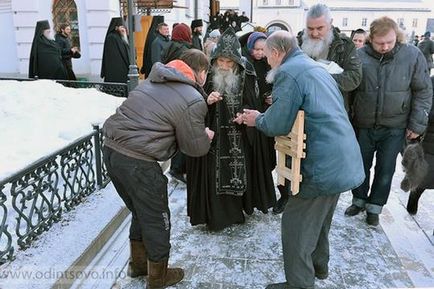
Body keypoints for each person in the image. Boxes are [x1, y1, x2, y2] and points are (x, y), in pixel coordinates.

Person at [242, 30, 364, 289]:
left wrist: (257, 119)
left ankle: (299, 283)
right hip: (341, 158)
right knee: (318, 220)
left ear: (277, 52)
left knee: (296, 224)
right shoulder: (312, 65)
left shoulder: (288, 72)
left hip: (321, 164)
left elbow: (277, 123)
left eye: (267, 57)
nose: (267, 62)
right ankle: (318, 267)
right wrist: (264, 114)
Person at [102, 49, 213, 288]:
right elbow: (195, 148)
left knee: (141, 211)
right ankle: (158, 276)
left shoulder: (151, 82)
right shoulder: (192, 98)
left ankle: (139, 265)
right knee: (157, 218)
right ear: (201, 73)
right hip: (138, 162)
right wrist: (206, 136)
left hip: (111, 151)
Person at [186, 28, 276, 231]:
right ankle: (218, 216)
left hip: (240, 135)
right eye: (221, 62)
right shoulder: (208, 75)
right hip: (215, 138)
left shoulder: (248, 73)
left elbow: (254, 103)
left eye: (229, 62)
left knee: (239, 172)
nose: (225, 66)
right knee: (214, 174)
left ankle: (237, 212)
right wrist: (207, 101)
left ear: (236, 61)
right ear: (215, 60)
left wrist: (245, 114)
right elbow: (194, 104)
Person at [345, 16, 432, 226]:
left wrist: (416, 124)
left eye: (389, 42)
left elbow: (423, 91)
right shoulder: (359, 56)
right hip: (363, 124)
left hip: (395, 125)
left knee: (385, 169)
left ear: (397, 37)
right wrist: (346, 120)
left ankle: (375, 207)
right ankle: (358, 200)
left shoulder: (412, 55)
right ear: (370, 39)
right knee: (359, 167)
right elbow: (349, 93)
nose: (384, 47)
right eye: (379, 43)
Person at [240, 31, 279, 211]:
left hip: (267, 114)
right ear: (250, 48)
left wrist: (272, 96)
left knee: (267, 156)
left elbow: (274, 84)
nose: (259, 53)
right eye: (256, 49)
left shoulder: (268, 64)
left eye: (263, 49)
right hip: (251, 116)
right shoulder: (244, 64)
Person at [406, 76, 434, 215]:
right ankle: (415, 193)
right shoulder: (431, 82)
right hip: (430, 139)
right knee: (425, 176)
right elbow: (425, 108)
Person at [100, 17, 130, 83]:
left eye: (124, 27)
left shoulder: (121, 37)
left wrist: (125, 36)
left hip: (123, 71)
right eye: (121, 27)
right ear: (116, 27)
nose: (123, 29)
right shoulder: (112, 37)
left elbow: (128, 50)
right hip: (116, 73)